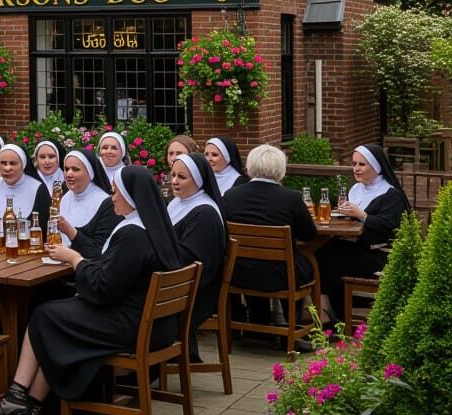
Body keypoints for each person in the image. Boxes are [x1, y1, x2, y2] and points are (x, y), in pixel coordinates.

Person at [0, 167, 184, 415]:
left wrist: (74, 260)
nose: (112, 199)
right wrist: (85, 262)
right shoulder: (152, 226)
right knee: (55, 314)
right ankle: (28, 402)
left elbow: (102, 288)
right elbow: (114, 273)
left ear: (132, 196)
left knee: (45, 315)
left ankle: (17, 397)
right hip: (153, 322)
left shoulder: (134, 235)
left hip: (132, 326)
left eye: (116, 192)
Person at [222, 143, 315, 328]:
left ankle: (257, 325)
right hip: (281, 274)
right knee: (305, 265)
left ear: (249, 168)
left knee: (255, 263)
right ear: (281, 170)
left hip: (238, 272)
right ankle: (292, 325)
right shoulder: (291, 198)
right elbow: (309, 235)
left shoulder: (231, 195)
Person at [315, 143, 411, 321]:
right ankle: (328, 310)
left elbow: (389, 225)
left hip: (380, 254)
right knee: (322, 252)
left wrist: (363, 215)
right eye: (354, 164)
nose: (356, 169)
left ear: (375, 167)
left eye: (362, 164)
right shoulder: (355, 190)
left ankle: (337, 314)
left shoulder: (391, 195)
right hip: (356, 247)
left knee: (330, 260)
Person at [167, 153, 227, 344]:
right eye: (173, 175)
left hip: (195, 294)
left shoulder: (205, 214)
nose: (174, 181)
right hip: (176, 284)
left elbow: (190, 261)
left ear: (199, 180)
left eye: (182, 177)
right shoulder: (176, 203)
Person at [55, 149, 118, 256]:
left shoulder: (106, 203)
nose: (69, 174)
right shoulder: (64, 196)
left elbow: (100, 251)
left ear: (90, 173)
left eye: (75, 169)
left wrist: (71, 232)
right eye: (66, 169)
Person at [0, 144, 51, 236]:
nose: (7, 168)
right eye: (3, 163)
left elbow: (44, 228)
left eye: (13, 163)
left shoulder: (38, 189)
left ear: (23, 165)